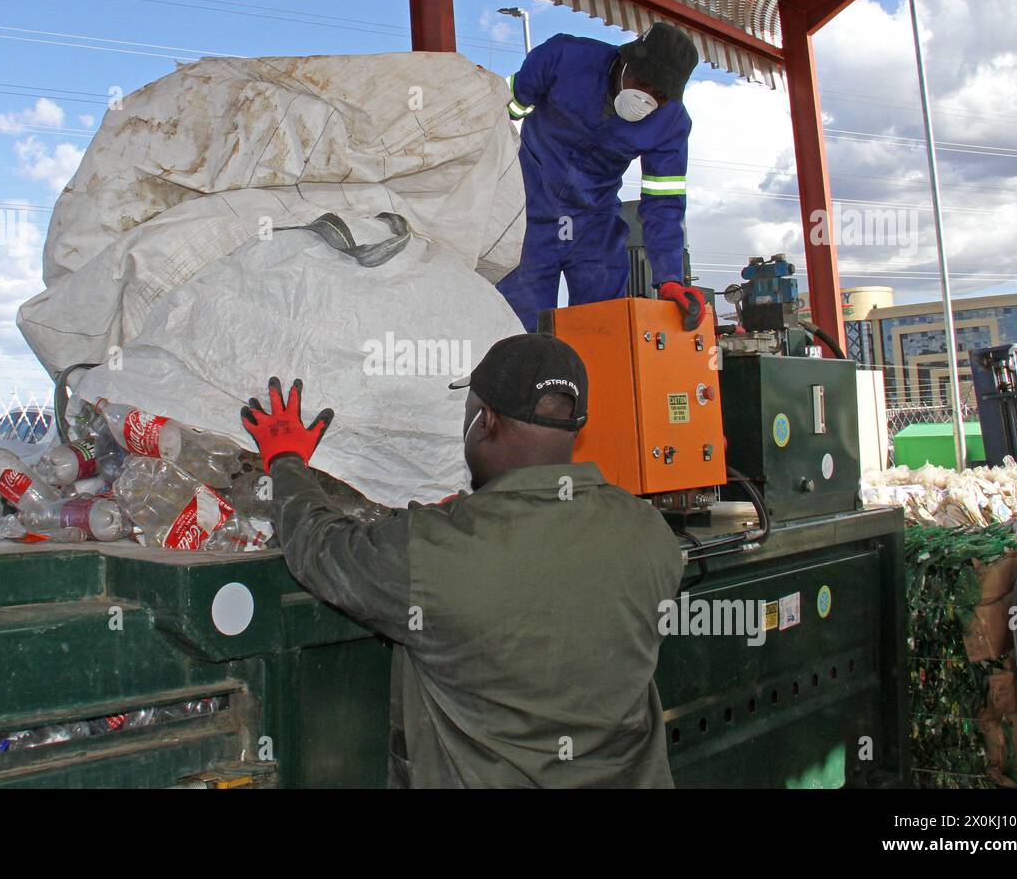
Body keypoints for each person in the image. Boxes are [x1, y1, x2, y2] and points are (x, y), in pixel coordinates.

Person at [240, 335, 684, 787]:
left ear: (485, 421)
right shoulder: (650, 533)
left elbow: (319, 547)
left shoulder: (431, 552)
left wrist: (286, 459)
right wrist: (471, 517)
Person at [496, 22, 703, 332]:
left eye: (658, 94)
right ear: (626, 59)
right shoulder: (564, 57)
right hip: (526, 212)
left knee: (603, 327)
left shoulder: (671, 122)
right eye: (642, 82)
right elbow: (496, 109)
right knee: (521, 330)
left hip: (594, 224)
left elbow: (664, 202)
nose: (645, 98)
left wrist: (670, 278)